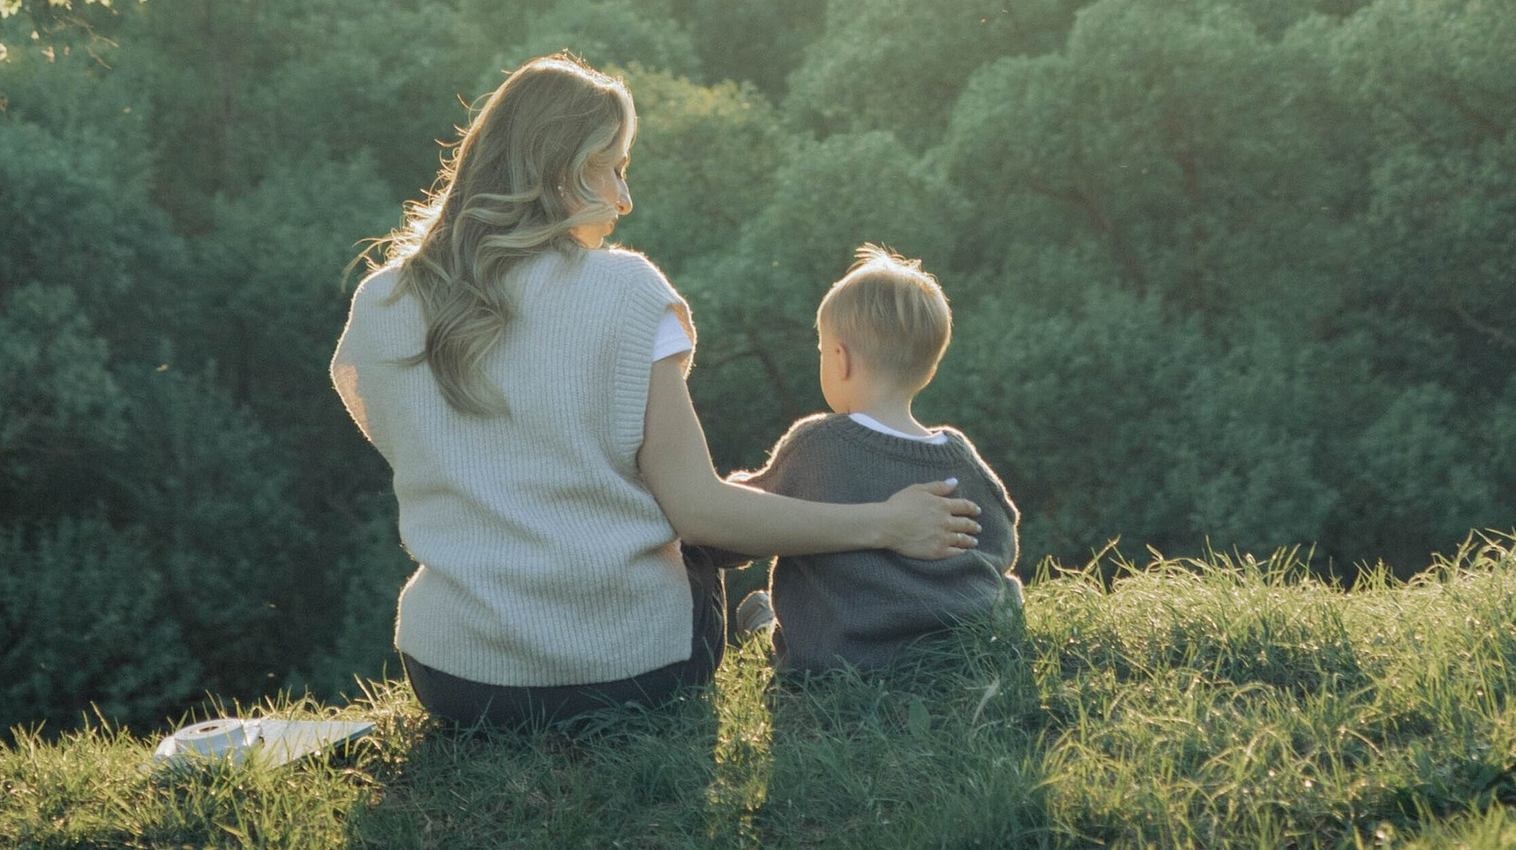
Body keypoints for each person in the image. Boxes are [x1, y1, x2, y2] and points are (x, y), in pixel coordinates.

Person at [329, 57, 982, 730]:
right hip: (630, 674)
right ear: (563, 169)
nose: (624, 198)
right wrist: (888, 522)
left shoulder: (381, 304)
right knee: (697, 547)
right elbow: (699, 513)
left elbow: (415, 443)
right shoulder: (627, 292)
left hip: (456, 679)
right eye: (613, 168)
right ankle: (781, 628)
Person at [743, 244, 1023, 676]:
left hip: (844, 657)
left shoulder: (817, 444)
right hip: (956, 650)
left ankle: (761, 621)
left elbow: (739, 522)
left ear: (840, 360)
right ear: (929, 370)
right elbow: (1002, 539)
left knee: (759, 612)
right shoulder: (959, 454)